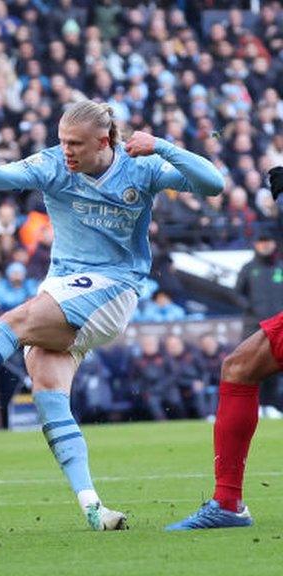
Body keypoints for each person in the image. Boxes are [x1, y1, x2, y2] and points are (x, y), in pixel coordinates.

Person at [0, 100, 224, 530]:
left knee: (13, 323)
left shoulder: (139, 167)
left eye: (74, 143)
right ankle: (93, 506)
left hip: (113, 288)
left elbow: (213, 184)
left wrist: (163, 146)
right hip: (62, 285)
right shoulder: (53, 165)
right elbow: (0, 175)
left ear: (103, 141)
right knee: (47, 388)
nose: (66, 150)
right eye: (62, 141)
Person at [166, 168, 283, 530]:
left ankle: (228, 503)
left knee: (238, 369)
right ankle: (227, 502)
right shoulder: (253, 268)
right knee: (239, 368)